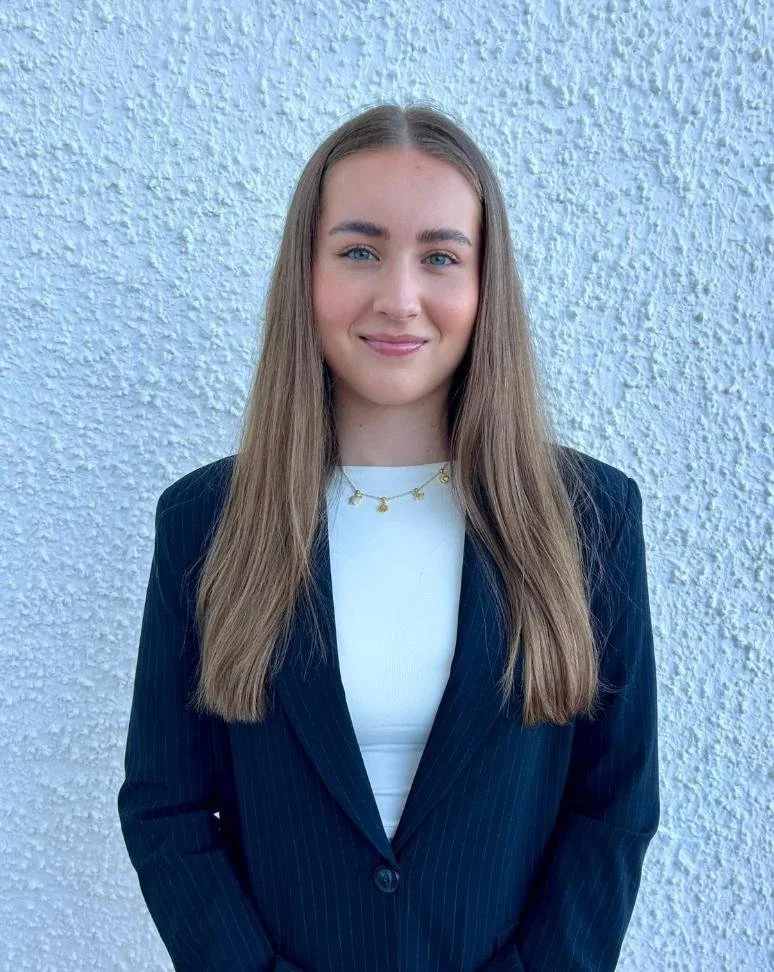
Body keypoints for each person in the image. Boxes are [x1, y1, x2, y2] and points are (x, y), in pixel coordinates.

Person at [117, 102, 659, 972]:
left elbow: (613, 803)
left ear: (486, 285)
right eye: (359, 251)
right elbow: (165, 806)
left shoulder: (587, 516)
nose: (399, 299)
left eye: (440, 256)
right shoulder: (205, 523)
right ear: (308, 272)